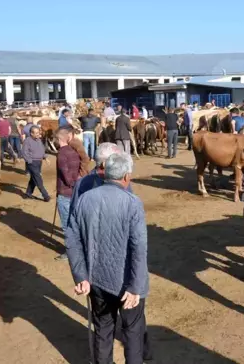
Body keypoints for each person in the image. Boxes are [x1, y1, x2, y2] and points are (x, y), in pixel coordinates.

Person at [66, 153, 151, 363]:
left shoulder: (85, 198)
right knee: (132, 331)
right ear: (125, 177)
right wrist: (135, 287)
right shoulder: (132, 203)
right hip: (126, 282)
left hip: (96, 280)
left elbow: (72, 240)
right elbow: (139, 247)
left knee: (103, 329)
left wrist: (81, 276)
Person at [55, 127, 82, 261]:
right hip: (76, 193)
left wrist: (71, 184)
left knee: (67, 226)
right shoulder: (74, 151)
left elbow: (66, 175)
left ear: (59, 138)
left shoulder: (61, 153)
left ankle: (71, 252)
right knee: (77, 222)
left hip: (65, 193)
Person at [22, 126, 50, 202]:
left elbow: (41, 149)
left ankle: (28, 193)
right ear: (31, 133)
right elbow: (24, 152)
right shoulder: (27, 141)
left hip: (39, 162)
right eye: (36, 133)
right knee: (38, 179)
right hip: (32, 163)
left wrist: (45, 157)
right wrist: (29, 161)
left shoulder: (38, 140)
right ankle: (46, 196)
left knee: (33, 179)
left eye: (38, 132)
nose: (38, 134)